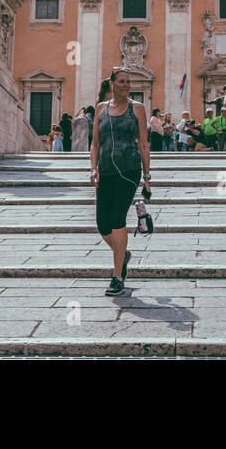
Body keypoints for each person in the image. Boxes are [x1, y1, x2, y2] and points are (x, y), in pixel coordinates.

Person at [90, 67, 151, 296]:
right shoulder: (100, 110)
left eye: (129, 81)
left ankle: (117, 276)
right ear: (112, 84)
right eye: (122, 81)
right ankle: (122, 253)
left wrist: (147, 177)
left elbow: (143, 143)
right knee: (102, 224)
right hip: (105, 170)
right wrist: (93, 169)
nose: (126, 85)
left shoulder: (137, 108)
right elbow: (95, 143)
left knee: (117, 218)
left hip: (129, 170)